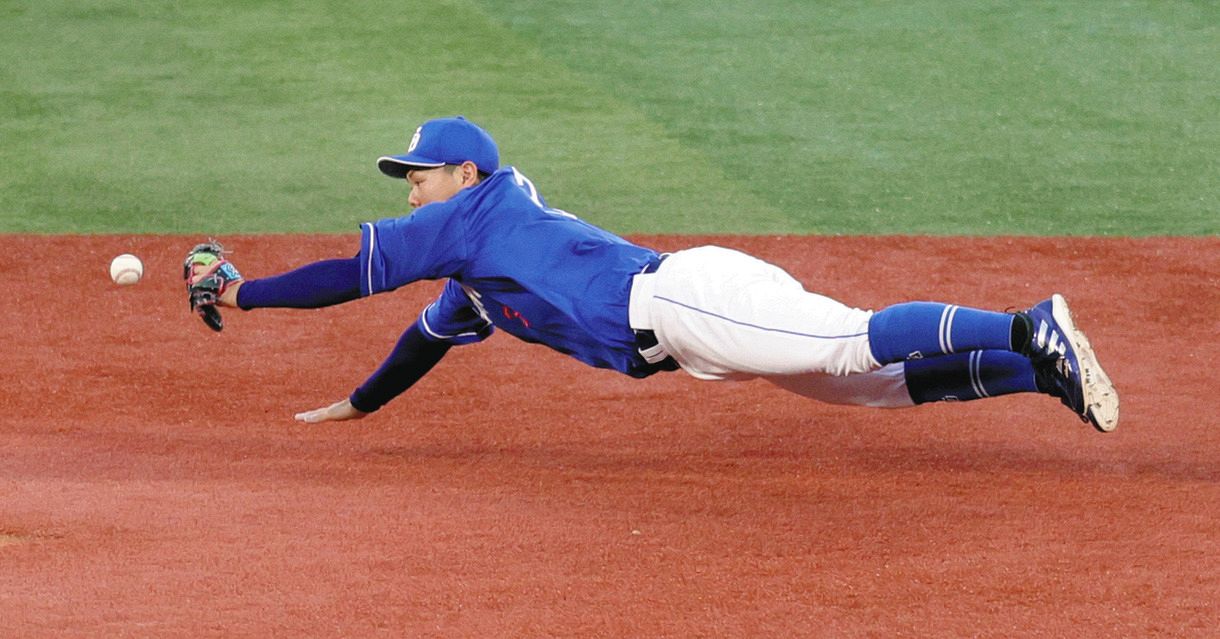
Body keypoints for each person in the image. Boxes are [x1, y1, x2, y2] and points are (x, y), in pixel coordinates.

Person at [184, 116, 1119, 432]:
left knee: (846, 338)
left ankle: (1025, 323)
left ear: (464, 173)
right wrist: (361, 404)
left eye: (417, 172)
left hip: (681, 298)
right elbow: (423, 338)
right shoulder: (473, 265)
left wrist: (237, 290)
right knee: (871, 391)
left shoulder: (472, 212)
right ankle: (1036, 369)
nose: (412, 187)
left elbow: (350, 275)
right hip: (683, 333)